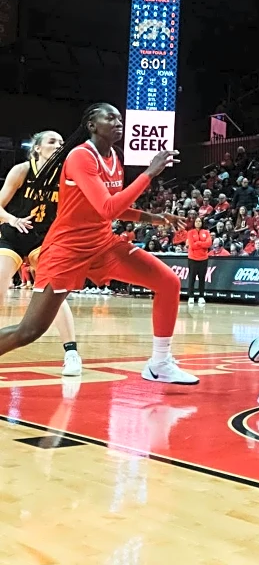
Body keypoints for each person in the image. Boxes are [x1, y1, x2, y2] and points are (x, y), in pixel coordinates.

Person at [0, 103, 198, 384]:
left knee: (168, 282)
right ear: (92, 125)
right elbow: (107, 208)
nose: (118, 122)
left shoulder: (115, 156)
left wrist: (154, 218)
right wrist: (149, 173)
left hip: (103, 244)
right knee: (29, 331)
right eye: (110, 118)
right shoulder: (81, 157)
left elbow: (110, 209)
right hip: (67, 250)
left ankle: (160, 363)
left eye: (120, 118)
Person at [0, 131, 81, 376]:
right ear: (37, 148)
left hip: (43, 239)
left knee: (53, 292)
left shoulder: (66, 175)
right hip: (13, 233)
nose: (58, 145)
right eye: (52, 141)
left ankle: (71, 353)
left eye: (60, 141)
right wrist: (13, 220)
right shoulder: (22, 170)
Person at [186, 216, 212, 306]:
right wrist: (202, 244)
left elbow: (209, 243)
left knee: (202, 278)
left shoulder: (206, 232)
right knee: (192, 278)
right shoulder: (190, 232)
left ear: (202, 223)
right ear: (194, 223)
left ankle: (201, 296)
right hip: (192, 258)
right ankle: (191, 296)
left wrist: (199, 243)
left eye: (199, 221)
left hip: (203, 259)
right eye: (196, 221)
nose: (198, 223)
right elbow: (192, 245)